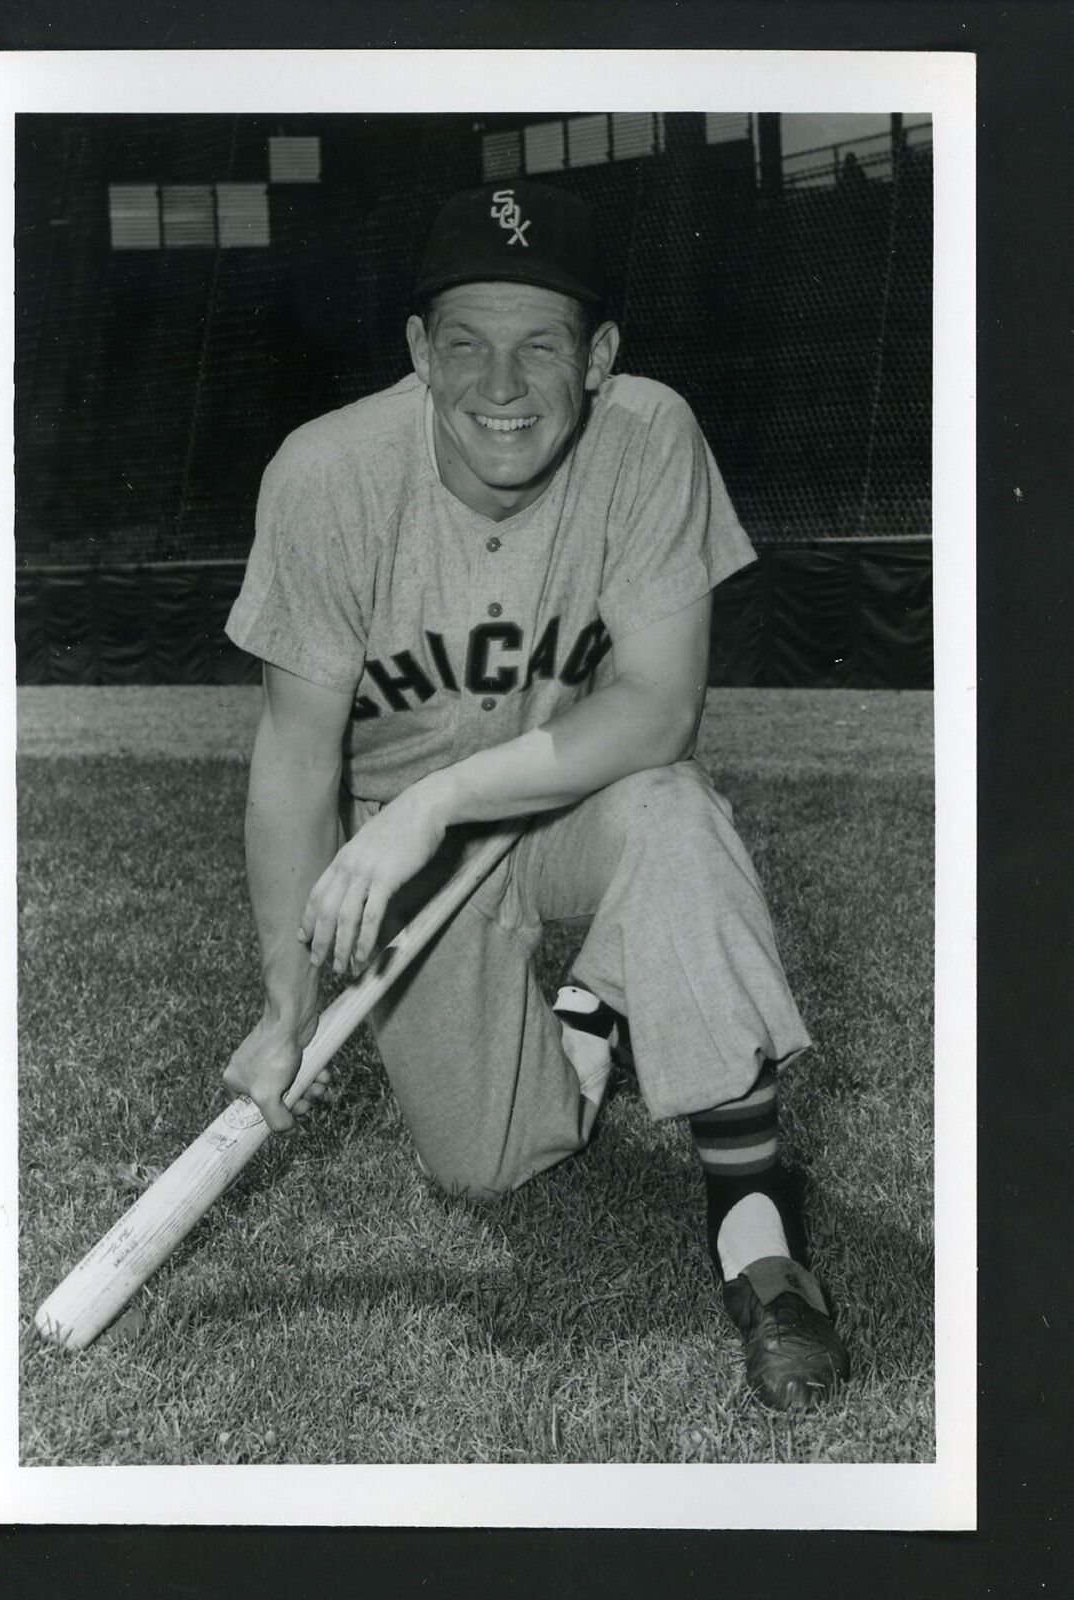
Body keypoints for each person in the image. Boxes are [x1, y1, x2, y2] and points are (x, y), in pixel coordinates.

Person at [223, 180, 849, 1411]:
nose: (498, 384)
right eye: (464, 341)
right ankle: (590, 1006)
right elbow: (295, 763)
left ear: (600, 356)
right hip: (419, 871)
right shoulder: (326, 474)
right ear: (417, 349)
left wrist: (435, 796)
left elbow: (659, 709)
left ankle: (762, 1251)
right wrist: (284, 1008)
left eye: (540, 344)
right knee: (498, 1163)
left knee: (674, 815)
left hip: (575, 803)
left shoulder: (650, 434)